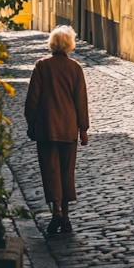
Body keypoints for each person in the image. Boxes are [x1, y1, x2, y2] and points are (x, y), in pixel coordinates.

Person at [24, 25, 90, 234]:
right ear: (69, 45)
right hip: (68, 128)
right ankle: (67, 217)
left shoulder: (42, 66)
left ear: (52, 44)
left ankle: (57, 212)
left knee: (50, 171)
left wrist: (31, 124)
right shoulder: (75, 68)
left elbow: (32, 100)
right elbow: (81, 101)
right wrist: (83, 129)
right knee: (66, 172)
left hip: (46, 128)